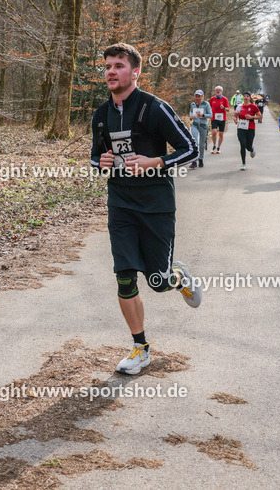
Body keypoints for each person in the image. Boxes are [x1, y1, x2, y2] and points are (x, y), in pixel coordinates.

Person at [90, 43, 201, 376]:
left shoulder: (155, 108)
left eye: (118, 65)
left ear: (135, 72)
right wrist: (102, 161)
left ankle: (178, 278)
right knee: (124, 276)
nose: (111, 71)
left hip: (156, 206)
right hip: (121, 204)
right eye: (107, 66)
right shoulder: (100, 115)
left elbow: (191, 149)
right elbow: (96, 158)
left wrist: (156, 162)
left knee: (158, 281)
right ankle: (140, 349)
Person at [235, 91, 262, 170]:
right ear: (243, 98)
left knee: (248, 146)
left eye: (247, 96)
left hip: (250, 127)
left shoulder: (253, 106)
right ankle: (243, 164)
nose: (246, 97)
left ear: (250, 98)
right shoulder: (239, 106)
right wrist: (235, 120)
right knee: (242, 144)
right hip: (241, 127)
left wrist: (252, 117)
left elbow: (260, 116)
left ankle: (251, 148)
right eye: (244, 96)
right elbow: (235, 116)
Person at [188, 90, 211, 168]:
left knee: (201, 144)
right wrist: (191, 116)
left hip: (203, 125)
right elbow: (191, 112)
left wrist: (203, 115)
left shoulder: (206, 104)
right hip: (195, 124)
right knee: (195, 142)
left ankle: (200, 159)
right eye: (196, 96)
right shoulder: (193, 104)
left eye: (199, 96)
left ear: (202, 97)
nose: (197, 98)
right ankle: (194, 161)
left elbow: (210, 115)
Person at [208, 86, 230, 154]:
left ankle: (218, 147)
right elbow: (209, 107)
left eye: (219, 90)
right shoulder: (212, 99)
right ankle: (214, 145)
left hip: (222, 119)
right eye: (216, 90)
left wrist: (223, 108)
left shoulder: (224, 99)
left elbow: (228, 109)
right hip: (214, 118)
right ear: (215, 91)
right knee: (214, 132)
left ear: (222, 92)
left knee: (221, 134)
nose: (218, 91)